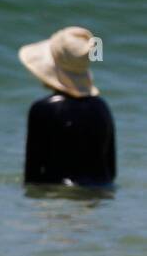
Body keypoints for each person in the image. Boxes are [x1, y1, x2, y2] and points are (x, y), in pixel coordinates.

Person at [19, 26, 115, 187]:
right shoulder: (102, 107)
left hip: (59, 195)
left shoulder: (42, 109)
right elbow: (111, 172)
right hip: (99, 194)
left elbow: (33, 174)